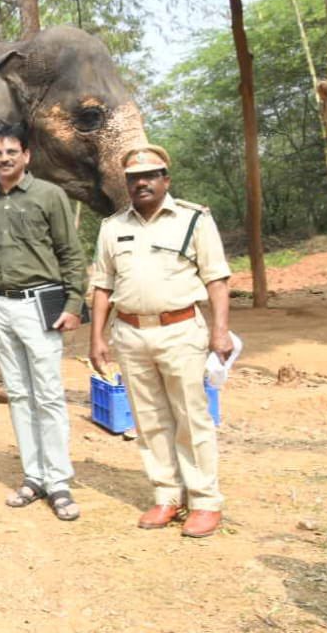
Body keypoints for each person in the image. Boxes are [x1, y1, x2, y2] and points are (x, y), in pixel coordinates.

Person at [90, 144, 233, 538]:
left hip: (181, 330)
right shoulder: (113, 227)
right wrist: (97, 337)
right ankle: (167, 495)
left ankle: (204, 501)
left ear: (165, 180)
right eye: (134, 178)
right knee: (149, 419)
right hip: (130, 334)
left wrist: (220, 331)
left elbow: (216, 279)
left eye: (150, 176)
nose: (142, 183)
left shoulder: (194, 220)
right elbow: (102, 285)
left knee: (191, 417)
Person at [0, 124, 87, 521]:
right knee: (19, 394)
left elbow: (71, 253)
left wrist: (73, 303)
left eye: (11, 152)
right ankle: (33, 476)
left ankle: (59, 481)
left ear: (26, 156)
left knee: (48, 394)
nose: (4, 159)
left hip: (41, 304)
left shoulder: (49, 195)